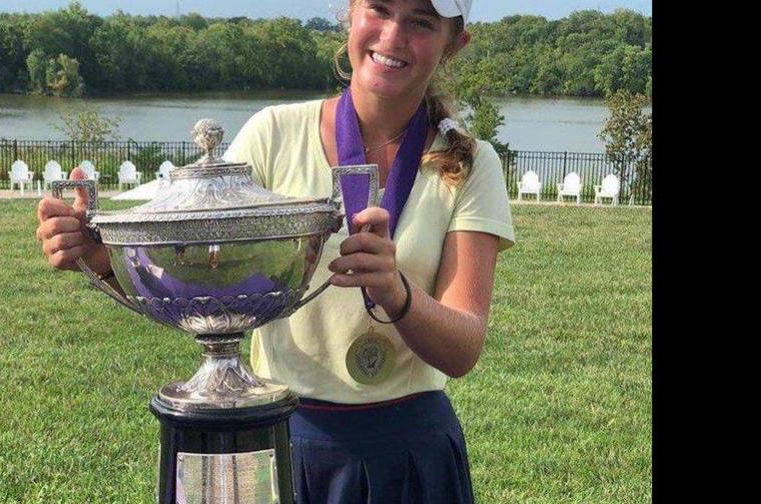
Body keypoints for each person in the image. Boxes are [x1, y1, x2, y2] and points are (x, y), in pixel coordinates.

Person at [35, 0, 515, 502]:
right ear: (349, 14)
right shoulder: (274, 134)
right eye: (379, 8)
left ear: (453, 45)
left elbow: (463, 348)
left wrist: (397, 294)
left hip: (411, 452)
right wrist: (102, 259)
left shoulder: (470, 163)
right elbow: (201, 279)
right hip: (281, 438)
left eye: (421, 20)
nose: (393, 35)